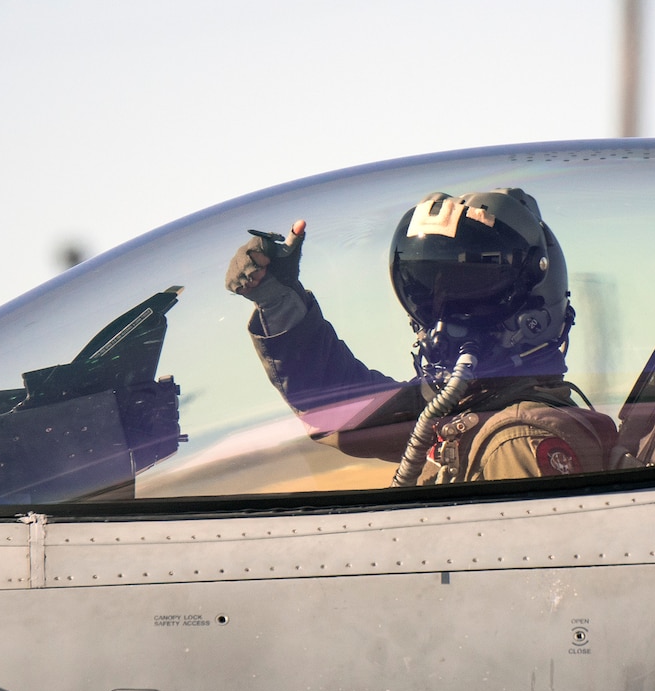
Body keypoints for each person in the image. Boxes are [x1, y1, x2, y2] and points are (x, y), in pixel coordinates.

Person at [224, 188, 617, 485]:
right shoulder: (467, 412)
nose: (443, 319)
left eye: (470, 294)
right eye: (430, 295)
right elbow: (336, 408)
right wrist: (278, 303)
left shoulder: (516, 441)